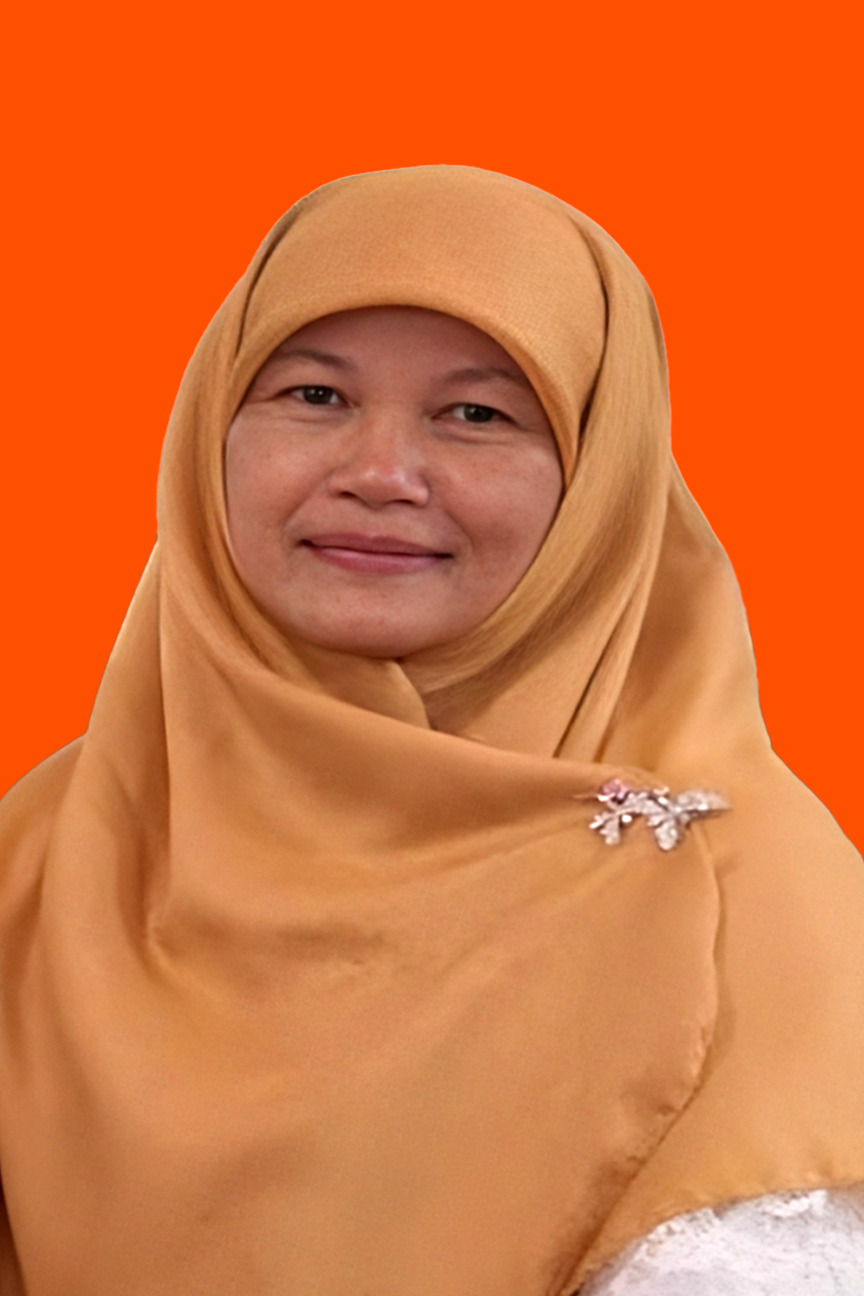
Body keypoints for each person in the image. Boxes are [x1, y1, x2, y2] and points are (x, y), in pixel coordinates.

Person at [0, 165, 862, 1295]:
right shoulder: (48, 849)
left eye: (477, 414)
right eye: (315, 394)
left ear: (601, 481)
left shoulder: (742, 904)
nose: (379, 474)